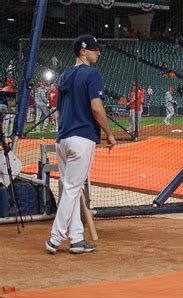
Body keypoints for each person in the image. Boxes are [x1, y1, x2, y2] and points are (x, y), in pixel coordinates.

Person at [45, 34, 116, 255]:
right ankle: (55, 239)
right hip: (82, 138)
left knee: (71, 190)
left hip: (63, 138)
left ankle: (76, 239)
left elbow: (58, 110)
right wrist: (110, 134)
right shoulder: (92, 74)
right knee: (72, 190)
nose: (99, 52)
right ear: (83, 51)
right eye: (95, 49)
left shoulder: (64, 75)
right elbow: (96, 108)